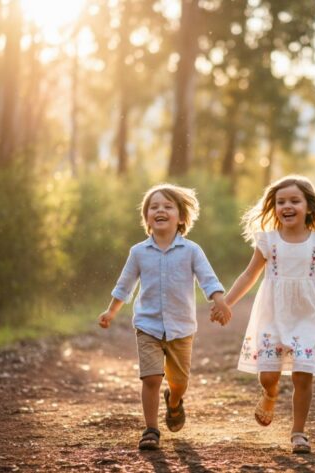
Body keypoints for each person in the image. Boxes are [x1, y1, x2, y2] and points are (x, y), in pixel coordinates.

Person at [212, 175, 315, 454]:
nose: (286, 206)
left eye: (294, 201)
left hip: (308, 315)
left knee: (303, 375)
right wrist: (226, 302)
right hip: (273, 313)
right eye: (280, 202)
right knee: (269, 375)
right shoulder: (268, 241)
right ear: (274, 207)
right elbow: (249, 275)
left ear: (309, 206)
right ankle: (270, 394)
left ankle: (298, 433)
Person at [98, 183, 232, 451]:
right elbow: (125, 284)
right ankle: (151, 429)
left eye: (167, 206)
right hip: (147, 326)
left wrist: (220, 301)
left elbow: (208, 279)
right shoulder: (138, 252)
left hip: (181, 329)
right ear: (147, 217)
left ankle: (174, 401)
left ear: (181, 217)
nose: (160, 210)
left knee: (179, 383)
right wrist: (111, 311)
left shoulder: (192, 250)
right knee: (151, 378)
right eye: (154, 207)